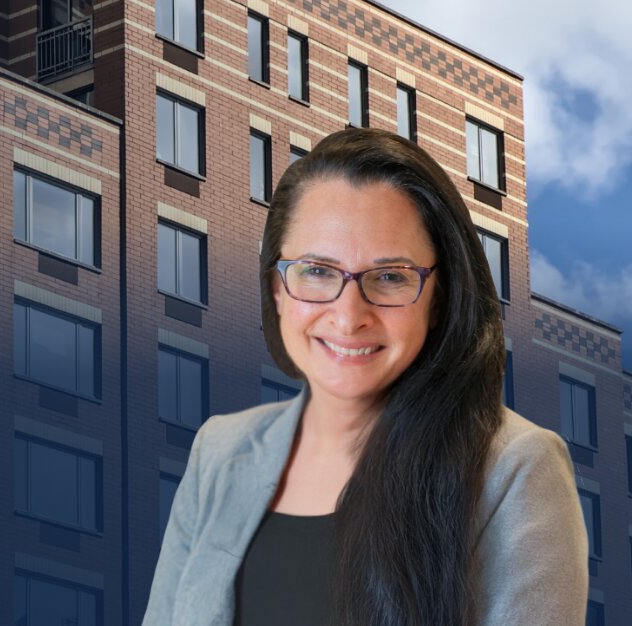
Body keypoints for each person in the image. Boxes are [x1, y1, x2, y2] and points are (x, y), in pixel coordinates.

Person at [142, 128, 588, 626]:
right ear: (276, 288)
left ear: (440, 297)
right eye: (316, 271)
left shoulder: (516, 469)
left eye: (391, 276)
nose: (348, 315)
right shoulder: (218, 451)